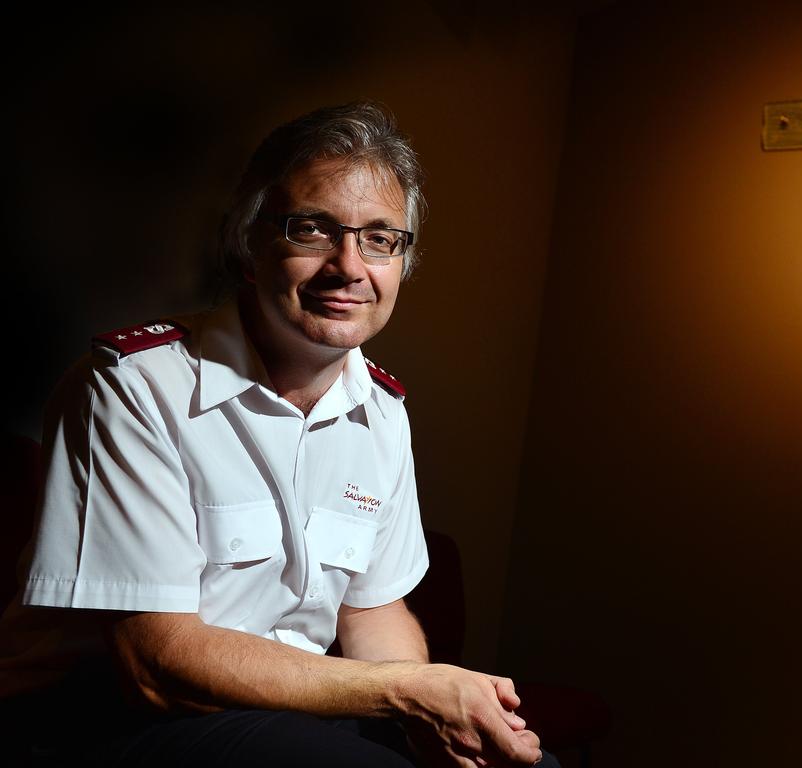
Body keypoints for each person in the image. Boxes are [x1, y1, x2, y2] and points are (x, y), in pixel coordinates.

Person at [0, 102, 556, 768]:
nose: (349, 266)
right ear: (246, 246)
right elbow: (156, 664)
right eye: (313, 230)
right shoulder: (130, 388)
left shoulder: (381, 412)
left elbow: (372, 613)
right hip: (93, 717)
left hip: (281, 710)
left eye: (380, 238)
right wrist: (409, 692)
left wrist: (428, 726)